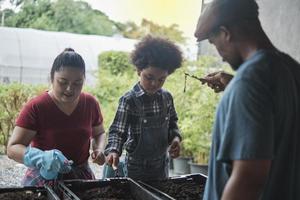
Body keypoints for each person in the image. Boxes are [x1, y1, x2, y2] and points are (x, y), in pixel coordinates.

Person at [194, 0, 300, 199]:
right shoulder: (291, 69)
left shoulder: (249, 82)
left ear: (226, 33)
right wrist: (235, 86)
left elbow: (249, 178)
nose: (220, 55)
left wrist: (241, 87)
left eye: (213, 42)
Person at [7, 48, 106, 186]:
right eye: (63, 82)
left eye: (77, 83)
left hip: (81, 178)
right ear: (51, 78)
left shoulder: (89, 103)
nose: (70, 89)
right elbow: (12, 148)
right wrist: (41, 157)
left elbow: (99, 132)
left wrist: (99, 149)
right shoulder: (37, 106)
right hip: (44, 177)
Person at [104, 35, 183, 181]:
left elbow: (173, 123)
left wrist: (176, 139)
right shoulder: (129, 100)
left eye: (161, 79)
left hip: (161, 165)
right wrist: (113, 151)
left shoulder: (166, 98)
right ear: (139, 70)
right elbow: (117, 131)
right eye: (149, 77)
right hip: (136, 168)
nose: (154, 84)